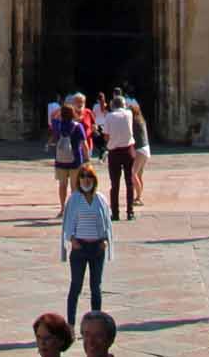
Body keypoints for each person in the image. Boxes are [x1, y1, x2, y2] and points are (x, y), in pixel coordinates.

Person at [60, 162, 113, 326]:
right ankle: (71, 325)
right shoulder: (74, 199)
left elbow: (107, 221)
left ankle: (95, 322)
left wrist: (105, 240)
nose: (86, 180)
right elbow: (68, 222)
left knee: (96, 287)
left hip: (97, 248)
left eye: (89, 176)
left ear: (94, 179)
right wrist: (72, 239)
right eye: (82, 176)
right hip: (80, 248)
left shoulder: (100, 199)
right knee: (75, 286)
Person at [102, 89, 137, 221]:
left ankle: (115, 213)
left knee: (115, 184)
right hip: (128, 150)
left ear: (113, 105)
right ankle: (130, 212)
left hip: (115, 152)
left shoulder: (109, 116)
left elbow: (106, 136)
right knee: (129, 183)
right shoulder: (129, 114)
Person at [53, 101, 90, 216]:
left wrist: (60, 112)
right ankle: (73, 210)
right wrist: (87, 159)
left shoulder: (57, 125)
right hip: (75, 160)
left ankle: (63, 208)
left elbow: (53, 116)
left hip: (60, 160)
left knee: (62, 185)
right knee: (75, 187)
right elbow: (84, 145)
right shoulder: (78, 126)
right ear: (73, 113)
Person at [129, 95, 150, 209]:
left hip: (140, 149)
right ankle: (138, 197)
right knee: (139, 173)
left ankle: (138, 197)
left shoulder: (134, 122)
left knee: (133, 173)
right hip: (146, 149)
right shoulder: (141, 120)